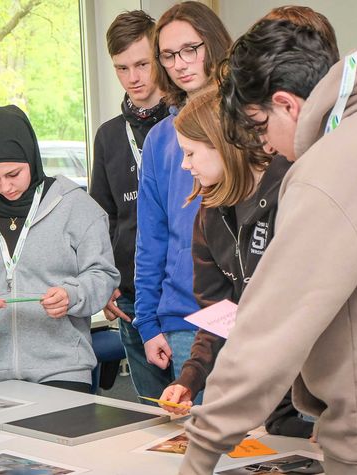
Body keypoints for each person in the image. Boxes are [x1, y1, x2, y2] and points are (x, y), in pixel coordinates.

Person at [181, 19, 357, 474]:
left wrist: (201, 452)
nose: (267, 146)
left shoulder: (328, 171)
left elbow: (269, 331)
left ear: (286, 104)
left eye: (259, 127)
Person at [157, 85, 313, 438]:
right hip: (275, 399)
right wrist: (190, 379)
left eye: (191, 153)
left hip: (320, 391)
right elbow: (219, 312)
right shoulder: (209, 214)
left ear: (221, 145)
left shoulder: (292, 191)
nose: (185, 164)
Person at [0, 105, 119, 393]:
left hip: (62, 367)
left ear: (31, 157)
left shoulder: (75, 206)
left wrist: (72, 294)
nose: (5, 186)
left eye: (14, 174)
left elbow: (103, 274)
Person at [132, 1, 231, 398]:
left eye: (191, 49)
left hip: (252, 315)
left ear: (214, 45)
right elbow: (151, 237)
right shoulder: (159, 138)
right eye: (169, 55)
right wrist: (148, 322)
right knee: (199, 449)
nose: (180, 63)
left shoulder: (249, 122)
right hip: (185, 319)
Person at [89, 10, 172, 402]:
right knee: (153, 415)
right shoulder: (108, 137)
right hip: (131, 296)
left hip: (184, 293)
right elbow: (100, 221)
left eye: (142, 64)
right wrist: (105, 286)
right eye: (122, 68)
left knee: (200, 411)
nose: (133, 78)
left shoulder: (184, 124)